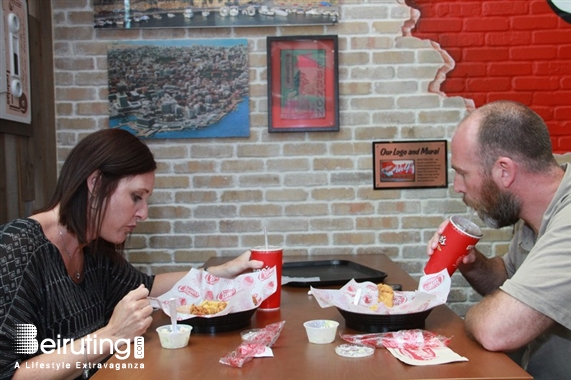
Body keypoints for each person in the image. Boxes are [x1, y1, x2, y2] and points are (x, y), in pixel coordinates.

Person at [0, 128, 263, 379]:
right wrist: (112, 335)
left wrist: (218, 273)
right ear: (96, 182)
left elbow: (148, 286)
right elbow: (11, 373)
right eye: (136, 196)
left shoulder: (94, 247)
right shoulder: (18, 246)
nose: (143, 213)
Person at [426, 100, 571, 379]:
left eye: (462, 173)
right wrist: (472, 263)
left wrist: (469, 317)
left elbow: (497, 332)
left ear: (504, 171)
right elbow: (508, 278)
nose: (457, 187)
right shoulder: (535, 214)